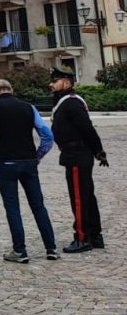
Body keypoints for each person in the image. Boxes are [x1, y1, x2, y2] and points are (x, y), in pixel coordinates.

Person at [0, 78, 57, 262]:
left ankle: (20, 250)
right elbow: (47, 135)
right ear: (12, 89)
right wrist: (38, 155)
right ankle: (51, 248)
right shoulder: (28, 107)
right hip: (29, 161)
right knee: (38, 205)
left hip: (5, 162)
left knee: (12, 207)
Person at [50, 66, 108, 253]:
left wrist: (98, 150)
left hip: (76, 155)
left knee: (79, 198)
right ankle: (95, 236)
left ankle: (82, 238)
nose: (51, 84)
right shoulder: (66, 102)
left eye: (54, 81)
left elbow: (87, 128)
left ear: (66, 82)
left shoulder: (71, 103)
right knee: (87, 196)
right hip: (75, 154)